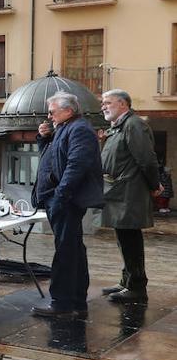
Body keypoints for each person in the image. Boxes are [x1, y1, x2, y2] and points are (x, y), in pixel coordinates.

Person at [32, 92, 104, 317]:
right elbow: (54, 158)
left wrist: (61, 197)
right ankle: (76, 302)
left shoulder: (79, 129)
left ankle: (62, 304)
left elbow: (76, 166)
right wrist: (45, 138)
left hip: (65, 200)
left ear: (68, 111)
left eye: (52, 111)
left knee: (65, 252)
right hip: (60, 198)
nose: (49, 115)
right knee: (73, 250)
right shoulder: (65, 128)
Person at [99, 89, 161, 304]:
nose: (103, 106)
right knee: (124, 239)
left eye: (108, 102)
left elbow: (147, 159)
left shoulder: (134, 124)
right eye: (103, 103)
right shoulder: (118, 127)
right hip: (119, 191)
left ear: (123, 104)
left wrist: (155, 185)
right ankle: (126, 282)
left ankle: (136, 288)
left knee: (131, 240)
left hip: (129, 191)